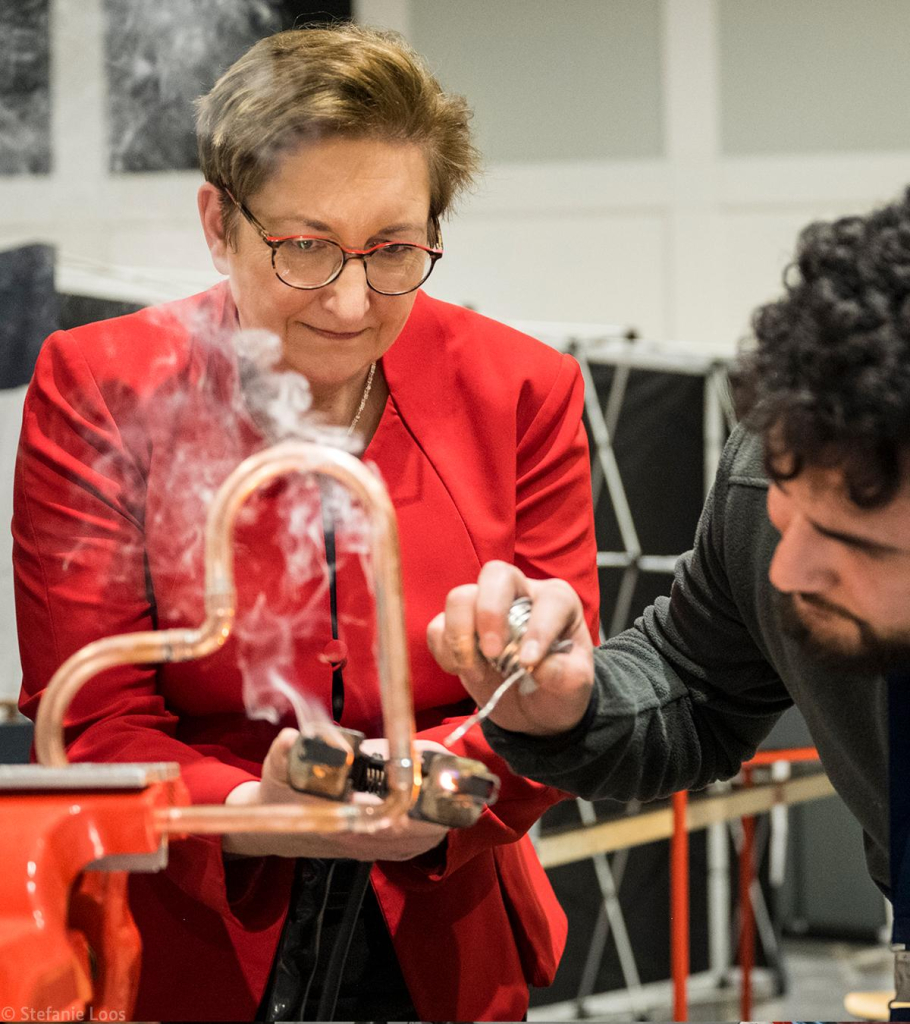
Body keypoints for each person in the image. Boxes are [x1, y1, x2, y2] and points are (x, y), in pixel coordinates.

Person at [13, 24, 600, 1023]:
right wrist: (249, 810)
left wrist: (451, 781)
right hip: (185, 935)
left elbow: (552, 678)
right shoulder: (102, 386)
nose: (348, 299)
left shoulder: (522, 390)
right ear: (217, 222)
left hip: (444, 936)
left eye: (393, 251)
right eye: (303, 247)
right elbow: (92, 715)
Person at [429, 188, 910, 907]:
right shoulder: (771, 467)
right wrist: (576, 706)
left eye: (847, 541)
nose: (787, 569)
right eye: (787, 512)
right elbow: (696, 683)